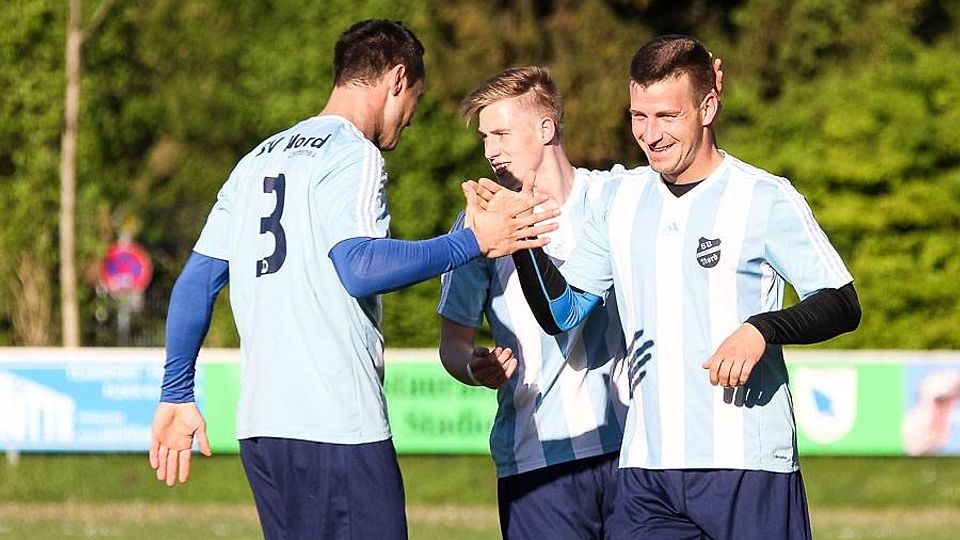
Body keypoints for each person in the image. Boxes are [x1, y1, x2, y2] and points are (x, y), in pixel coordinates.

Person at [147, 19, 558, 540]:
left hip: (262, 431)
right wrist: (473, 241)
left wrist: (176, 391)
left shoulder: (255, 160)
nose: (410, 119)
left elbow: (195, 282)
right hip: (336, 425)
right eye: (415, 100)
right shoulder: (353, 153)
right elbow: (360, 267)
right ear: (397, 79)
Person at [470, 35, 862, 539]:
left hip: (747, 462)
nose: (650, 134)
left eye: (667, 117)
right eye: (639, 116)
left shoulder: (763, 197)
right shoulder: (622, 200)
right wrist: (523, 236)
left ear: (707, 107)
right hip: (646, 471)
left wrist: (762, 328)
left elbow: (840, 302)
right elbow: (562, 312)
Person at [437, 67, 631, 539]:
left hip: (634, 451)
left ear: (546, 129)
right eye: (485, 138)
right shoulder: (479, 224)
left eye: (501, 134)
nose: (490, 151)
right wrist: (473, 367)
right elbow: (453, 343)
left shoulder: (615, 197)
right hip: (537, 457)